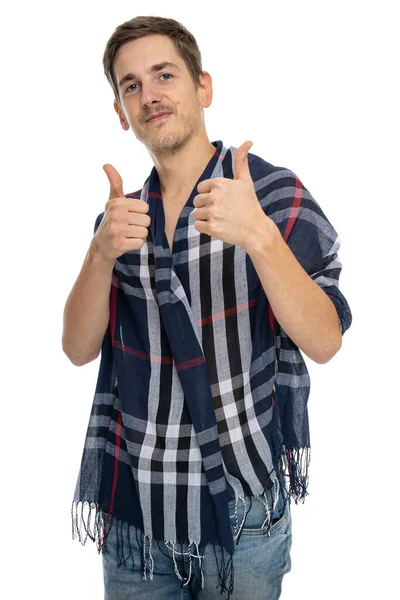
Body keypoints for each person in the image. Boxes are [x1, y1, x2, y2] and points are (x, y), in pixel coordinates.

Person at [63, 15, 352, 600]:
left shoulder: (268, 194)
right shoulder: (121, 219)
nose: (150, 95)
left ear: (203, 88)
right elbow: (76, 348)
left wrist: (261, 239)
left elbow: (325, 340)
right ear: (121, 111)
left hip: (242, 509)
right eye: (131, 85)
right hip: (136, 511)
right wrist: (98, 254)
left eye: (164, 74)